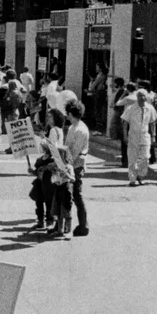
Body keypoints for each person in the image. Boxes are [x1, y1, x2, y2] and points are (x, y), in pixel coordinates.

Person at [121, 88, 157, 187]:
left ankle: (141, 176)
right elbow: (125, 123)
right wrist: (124, 136)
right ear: (136, 97)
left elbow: (152, 123)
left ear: (146, 97)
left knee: (145, 158)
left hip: (145, 136)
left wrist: (154, 136)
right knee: (132, 158)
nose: (142, 98)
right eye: (140, 96)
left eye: (144, 95)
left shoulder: (150, 108)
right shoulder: (131, 108)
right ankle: (132, 179)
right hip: (133, 135)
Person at [64, 100, 90, 237]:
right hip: (70, 164)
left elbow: (74, 151)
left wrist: (66, 164)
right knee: (71, 195)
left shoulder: (80, 130)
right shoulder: (72, 127)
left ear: (70, 113)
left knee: (76, 196)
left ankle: (83, 225)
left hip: (76, 165)